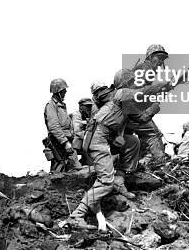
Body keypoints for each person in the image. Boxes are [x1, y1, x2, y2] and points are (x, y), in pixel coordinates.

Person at [69, 76, 172, 227]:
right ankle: (77, 216)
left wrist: (153, 106)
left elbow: (142, 117)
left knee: (132, 142)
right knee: (105, 181)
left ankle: (120, 180)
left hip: (105, 136)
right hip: (97, 138)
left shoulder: (116, 100)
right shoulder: (118, 96)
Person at [118, 44, 171, 166]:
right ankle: (160, 163)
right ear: (150, 57)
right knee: (153, 133)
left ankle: (137, 163)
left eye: (163, 59)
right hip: (131, 110)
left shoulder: (143, 69)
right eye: (159, 57)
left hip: (126, 110)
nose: (161, 61)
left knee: (135, 137)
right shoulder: (146, 69)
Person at [44, 78, 82, 171]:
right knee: (59, 168)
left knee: (74, 167)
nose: (65, 92)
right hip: (58, 142)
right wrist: (65, 143)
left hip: (66, 140)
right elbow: (54, 127)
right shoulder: (51, 105)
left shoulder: (61, 105)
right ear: (58, 91)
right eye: (63, 90)